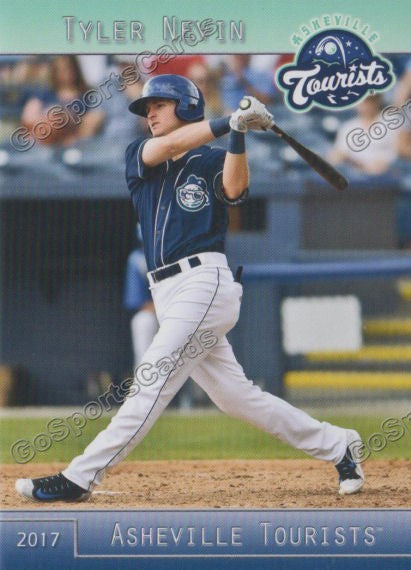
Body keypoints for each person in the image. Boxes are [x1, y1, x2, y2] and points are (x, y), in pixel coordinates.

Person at [15, 74, 365, 502]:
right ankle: (338, 443)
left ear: (185, 106)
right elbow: (166, 148)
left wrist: (237, 134)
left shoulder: (211, 160)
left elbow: (235, 189)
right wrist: (230, 119)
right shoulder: (140, 154)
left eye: (160, 105)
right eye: (147, 108)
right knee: (238, 399)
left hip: (205, 282)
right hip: (167, 292)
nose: (151, 114)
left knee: (151, 381)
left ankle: (80, 477)